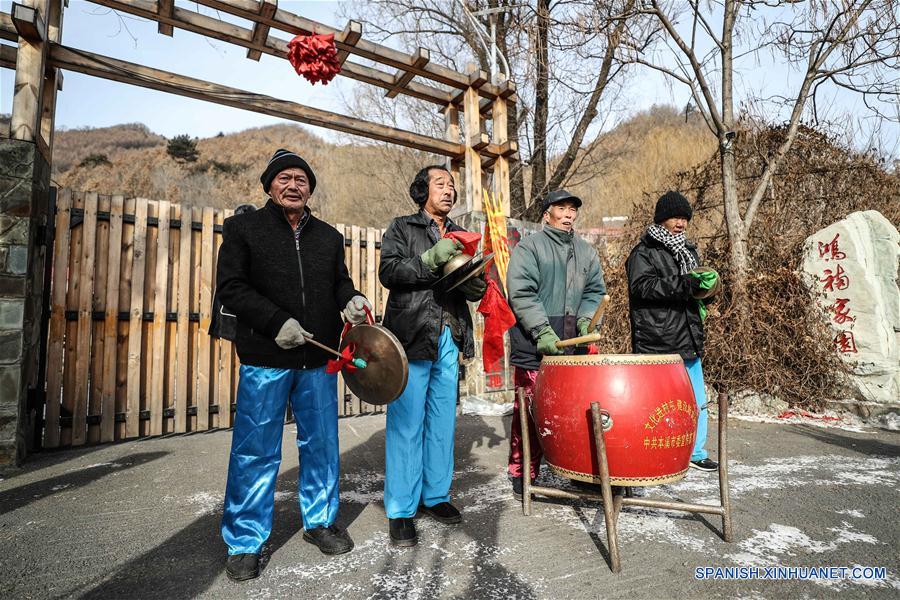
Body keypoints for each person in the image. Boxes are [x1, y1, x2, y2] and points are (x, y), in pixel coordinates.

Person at [215, 149, 374, 581]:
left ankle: (319, 522)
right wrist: (274, 322)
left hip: (318, 359)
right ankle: (246, 539)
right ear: (269, 185)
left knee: (321, 443)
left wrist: (351, 299)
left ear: (310, 188)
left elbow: (339, 281)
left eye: (301, 179)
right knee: (256, 449)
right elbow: (231, 288)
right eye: (283, 178)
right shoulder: (243, 228)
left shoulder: (327, 236)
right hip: (266, 356)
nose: (293, 185)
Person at [378, 164, 487, 547]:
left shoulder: (459, 234)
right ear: (422, 189)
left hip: (449, 335)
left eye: (453, 185)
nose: (449, 189)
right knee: (407, 422)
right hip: (411, 335)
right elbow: (389, 272)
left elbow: (469, 285)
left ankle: (435, 496)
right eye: (441, 183)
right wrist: (427, 260)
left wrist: (476, 283)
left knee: (442, 422)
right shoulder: (402, 228)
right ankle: (401, 509)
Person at [505, 189, 607, 499]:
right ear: (547, 213)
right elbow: (521, 292)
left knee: (573, 412)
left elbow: (594, 292)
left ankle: (574, 468)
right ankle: (522, 472)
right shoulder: (530, 247)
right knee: (530, 411)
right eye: (561, 208)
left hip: (572, 348)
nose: (568, 214)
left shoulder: (586, 252)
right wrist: (541, 330)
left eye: (572, 209)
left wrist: (586, 322)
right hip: (533, 346)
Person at [625, 191, 719, 473]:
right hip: (657, 340)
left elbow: (692, 288)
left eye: (684, 218)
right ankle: (656, 451)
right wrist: (685, 285)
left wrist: (706, 291)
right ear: (662, 218)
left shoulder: (689, 250)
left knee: (697, 399)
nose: (681, 223)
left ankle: (697, 451)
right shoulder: (643, 252)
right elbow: (641, 287)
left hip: (688, 335)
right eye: (675, 217)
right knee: (658, 403)